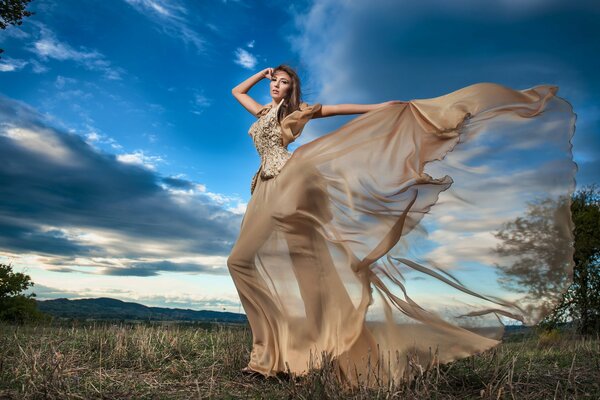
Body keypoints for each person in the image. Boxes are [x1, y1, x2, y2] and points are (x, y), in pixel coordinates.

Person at [228, 64, 576, 388]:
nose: (275, 86)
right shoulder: (262, 112)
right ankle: (276, 355)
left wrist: (382, 106)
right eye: (274, 81)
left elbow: (339, 109)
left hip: (291, 181)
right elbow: (236, 92)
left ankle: (281, 359)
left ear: (292, 89)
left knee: (284, 260)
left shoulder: (300, 111)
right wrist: (261, 73)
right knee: (245, 262)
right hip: (263, 186)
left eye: (282, 82)